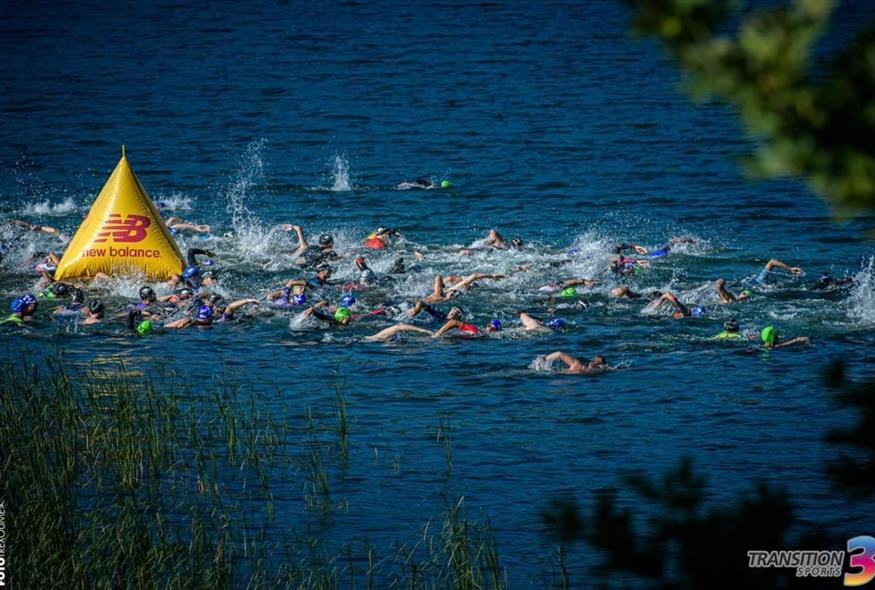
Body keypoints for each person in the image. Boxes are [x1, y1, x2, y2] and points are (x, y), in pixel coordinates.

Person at [541, 351, 608, 374]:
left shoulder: (593, 371)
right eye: (596, 360)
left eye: (598, 361)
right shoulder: (577, 364)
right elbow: (560, 354)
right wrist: (544, 359)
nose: (596, 361)